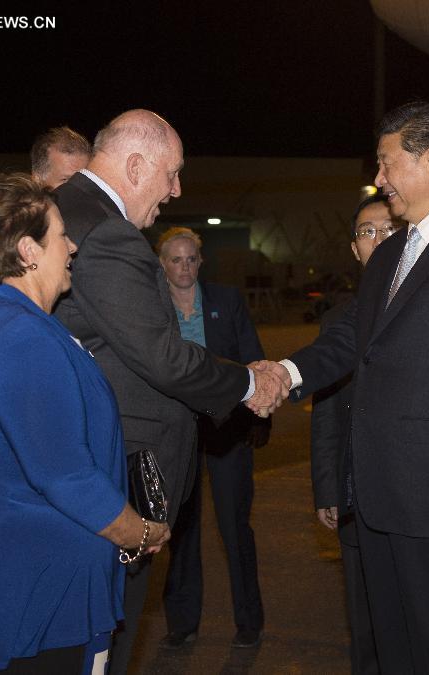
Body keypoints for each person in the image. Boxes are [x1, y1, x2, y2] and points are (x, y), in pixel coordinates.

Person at [252, 101, 429, 673]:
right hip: (381, 497)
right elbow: (352, 339)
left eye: (386, 163)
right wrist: (287, 372)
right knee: (397, 650)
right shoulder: (392, 255)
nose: (378, 179)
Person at [52, 109, 285, 675]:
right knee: (101, 638)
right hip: (115, 475)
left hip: (86, 467)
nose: (176, 190)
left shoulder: (71, 211)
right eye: (172, 173)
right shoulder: (107, 231)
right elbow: (158, 355)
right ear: (135, 165)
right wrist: (252, 380)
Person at [0, 173, 170, 674]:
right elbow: (64, 475)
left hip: (28, 575)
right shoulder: (22, 337)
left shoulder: (9, 320)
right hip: (30, 588)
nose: (73, 246)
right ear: (27, 251)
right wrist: (140, 532)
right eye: (61, 234)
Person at [156, 227, 269, 650]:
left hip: (226, 427)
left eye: (191, 259)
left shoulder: (226, 300)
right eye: (175, 260)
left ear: (200, 263)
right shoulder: (153, 307)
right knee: (181, 528)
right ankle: (182, 622)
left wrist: (259, 416)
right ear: (162, 264)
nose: (184, 267)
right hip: (175, 428)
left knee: (234, 525)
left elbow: (251, 355)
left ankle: (249, 621)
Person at [310, 194, 399, 673]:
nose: (378, 239)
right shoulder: (337, 318)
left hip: (411, 492)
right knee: (363, 619)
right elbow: (325, 409)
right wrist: (327, 485)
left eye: (388, 229)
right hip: (354, 487)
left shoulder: (428, 303)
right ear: (353, 248)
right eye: (368, 232)